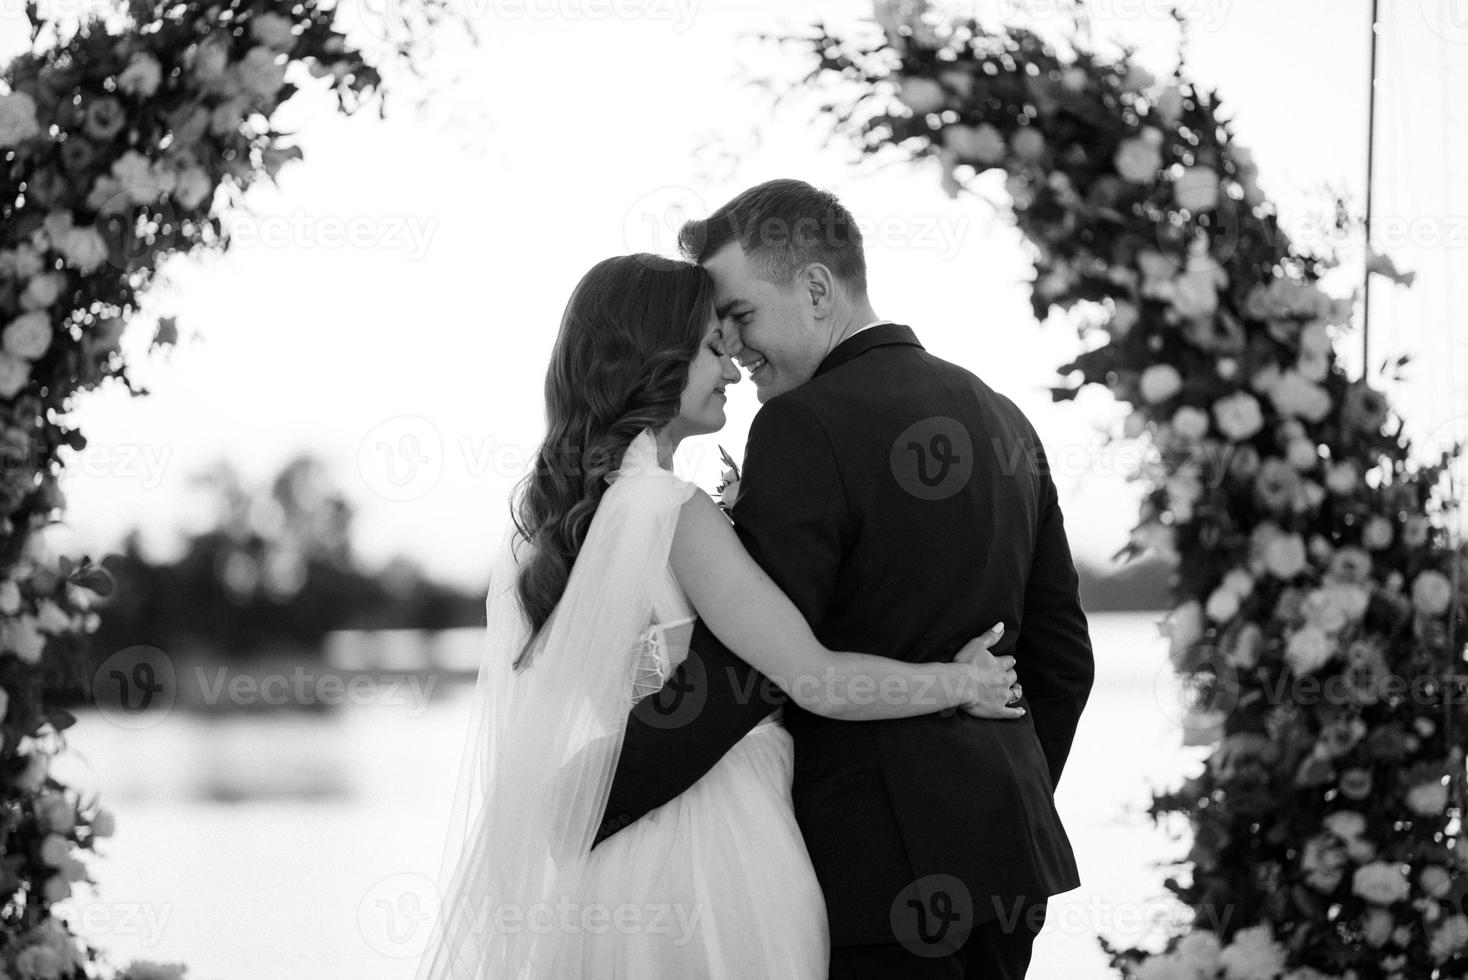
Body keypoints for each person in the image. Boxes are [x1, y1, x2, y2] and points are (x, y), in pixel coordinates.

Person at [414, 252, 1028, 980]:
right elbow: (817, 680)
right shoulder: (675, 513)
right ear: (654, 358)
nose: (734, 370)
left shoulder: (549, 538)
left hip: (612, 861)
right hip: (722, 844)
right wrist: (960, 686)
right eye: (713, 348)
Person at [595, 180, 1096, 979]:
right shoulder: (1003, 415)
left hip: (871, 875)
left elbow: (751, 670)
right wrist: (1005, 797)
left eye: (742, 318)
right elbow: (1065, 660)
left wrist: (587, 804)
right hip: (1011, 866)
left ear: (818, 288)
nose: (737, 350)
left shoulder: (803, 424)